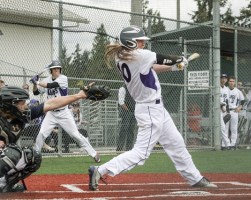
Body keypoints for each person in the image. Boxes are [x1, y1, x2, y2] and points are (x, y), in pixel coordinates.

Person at [88, 25, 217, 191]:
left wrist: (173, 67)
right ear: (131, 42)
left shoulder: (123, 55)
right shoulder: (140, 55)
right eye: (140, 41)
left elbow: (150, 68)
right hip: (149, 110)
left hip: (156, 109)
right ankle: (100, 170)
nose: (143, 44)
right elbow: (166, 58)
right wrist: (180, 60)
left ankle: (195, 178)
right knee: (141, 153)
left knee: (176, 143)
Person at [0, 84, 101, 192]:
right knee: (12, 152)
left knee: (33, 156)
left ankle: (3, 184)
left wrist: (79, 95)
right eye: (22, 103)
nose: (26, 106)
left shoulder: (23, 115)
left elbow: (50, 103)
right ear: (11, 104)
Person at [30, 60, 100, 162]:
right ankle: (35, 156)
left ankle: (94, 154)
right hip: (51, 113)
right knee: (41, 134)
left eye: (58, 68)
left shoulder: (63, 78)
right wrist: (35, 84)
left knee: (75, 135)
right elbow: (36, 92)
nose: (57, 70)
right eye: (54, 69)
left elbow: (51, 85)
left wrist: (37, 81)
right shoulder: (46, 79)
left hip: (64, 112)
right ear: (51, 71)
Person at [226, 76, 245, 149]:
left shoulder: (238, 91)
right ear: (228, 82)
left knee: (233, 128)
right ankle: (226, 144)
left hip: (234, 111)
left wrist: (239, 107)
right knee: (225, 128)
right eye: (230, 81)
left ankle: (233, 144)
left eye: (233, 81)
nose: (231, 82)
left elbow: (243, 101)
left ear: (235, 82)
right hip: (226, 111)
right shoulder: (225, 89)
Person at [116, 84, 136, 151]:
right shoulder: (123, 88)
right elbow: (121, 102)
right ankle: (119, 147)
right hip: (126, 111)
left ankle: (129, 147)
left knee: (131, 129)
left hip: (134, 111)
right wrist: (128, 110)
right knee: (124, 128)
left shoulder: (134, 89)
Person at [220, 74, 231, 150]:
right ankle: (228, 144)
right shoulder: (217, 87)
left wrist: (228, 111)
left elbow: (227, 100)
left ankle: (223, 145)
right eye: (222, 78)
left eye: (225, 78)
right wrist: (221, 106)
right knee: (222, 127)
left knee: (225, 128)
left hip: (225, 109)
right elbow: (214, 98)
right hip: (218, 109)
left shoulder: (227, 89)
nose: (223, 80)